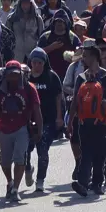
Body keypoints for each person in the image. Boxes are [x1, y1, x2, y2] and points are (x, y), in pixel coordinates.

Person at [69, 41, 106, 196]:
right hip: (84, 122)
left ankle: (97, 183)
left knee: (100, 154)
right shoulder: (81, 78)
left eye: (86, 56)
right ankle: (83, 183)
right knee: (85, 153)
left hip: (103, 122)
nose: (83, 59)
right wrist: (70, 122)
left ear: (95, 57)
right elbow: (75, 101)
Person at [0, 61, 43, 202]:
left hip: (22, 127)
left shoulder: (29, 88)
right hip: (3, 129)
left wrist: (39, 131)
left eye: (16, 74)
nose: (13, 77)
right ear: (5, 74)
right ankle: (10, 181)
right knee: (5, 161)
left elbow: (37, 110)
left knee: (20, 157)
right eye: (10, 74)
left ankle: (15, 189)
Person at [26, 48, 63, 193]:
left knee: (42, 151)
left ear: (44, 63)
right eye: (34, 62)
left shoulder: (51, 76)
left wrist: (59, 116)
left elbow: (58, 97)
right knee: (25, 150)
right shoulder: (26, 77)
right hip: (28, 121)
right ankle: (27, 168)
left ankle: (40, 180)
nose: (37, 65)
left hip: (48, 119)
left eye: (40, 62)